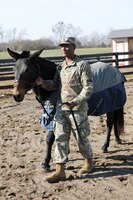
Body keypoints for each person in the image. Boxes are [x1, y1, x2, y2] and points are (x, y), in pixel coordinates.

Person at [36, 37, 93, 183]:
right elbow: (55, 84)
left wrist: (75, 102)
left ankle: (88, 161)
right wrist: (43, 83)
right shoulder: (60, 67)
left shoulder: (82, 65)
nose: (64, 49)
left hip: (77, 109)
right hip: (62, 109)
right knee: (60, 137)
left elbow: (88, 88)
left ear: (74, 47)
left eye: (67, 46)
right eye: (62, 46)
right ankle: (59, 170)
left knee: (81, 137)